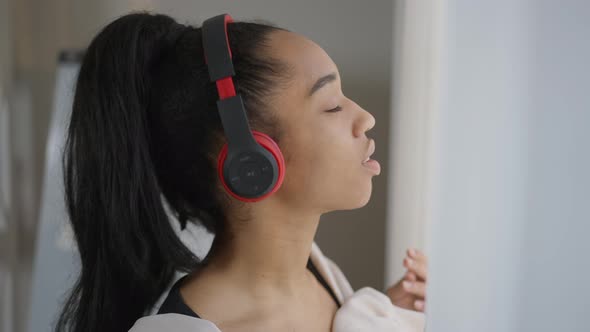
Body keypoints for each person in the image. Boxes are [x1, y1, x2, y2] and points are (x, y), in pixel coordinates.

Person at [56, 12, 428, 332]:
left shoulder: (316, 272)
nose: (366, 118)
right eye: (332, 105)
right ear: (249, 160)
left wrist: (389, 315)